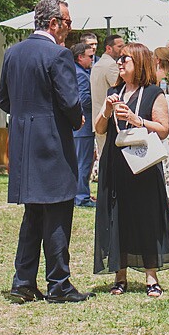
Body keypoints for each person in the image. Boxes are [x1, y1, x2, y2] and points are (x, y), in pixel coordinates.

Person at [0, 0, 90, 304]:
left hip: (23, 141)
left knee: (33, 215)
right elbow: (69, 101)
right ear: (53, 24)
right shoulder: (58, 54)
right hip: (51, 143)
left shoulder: (12, 53)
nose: (69, 28)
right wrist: (76, 118)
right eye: (67, 22)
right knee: (58, 213)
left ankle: (23, 282)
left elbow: (4, 101)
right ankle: (59, 284)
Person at [93, 42, 169, 296]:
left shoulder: (154, 93)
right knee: (117, 216)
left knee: (145, 217)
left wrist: (137, 120)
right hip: (115, 162)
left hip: (142, 164)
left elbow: (163, 130)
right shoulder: (114, 91)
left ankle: (151, 277)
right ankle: (119, 276)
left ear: (140, 63)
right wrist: (108, 111)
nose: (120, 63)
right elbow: (100, 129)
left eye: (125, 60)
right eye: (119, 59)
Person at [67, 33, 98, 207]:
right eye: (90, 57)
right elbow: (84, 99)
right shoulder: (80, 74)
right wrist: (100, 102)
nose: (93, 59)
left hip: (79, 127)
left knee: (81, 162)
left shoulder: (78, 71)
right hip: (83, 127)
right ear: (80, 57)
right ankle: (81, 197)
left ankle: (78, 194)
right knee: (83, 163)